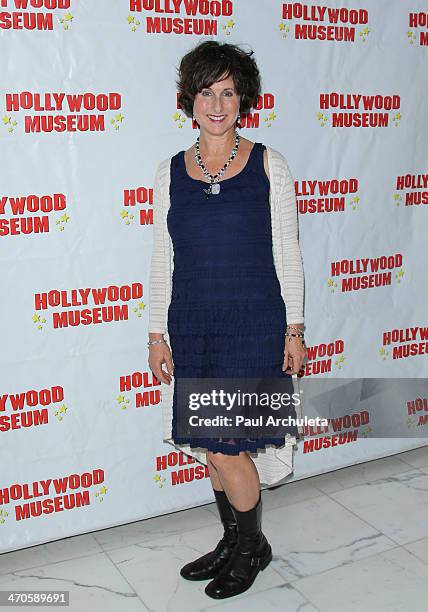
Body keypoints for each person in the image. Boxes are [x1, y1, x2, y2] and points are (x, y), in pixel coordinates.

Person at [148, 40, 307, 600]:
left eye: (228, 92)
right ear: (187, 100)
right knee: (211, 445)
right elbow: (163, 256)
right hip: (193, 324)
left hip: (252, 324)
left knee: (226, 445)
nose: (217, 103)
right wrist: (155, 333)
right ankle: (233, 539)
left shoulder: (269, 164)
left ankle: (252, 548)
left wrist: (294, 329)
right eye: (206, 92)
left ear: (244, 100)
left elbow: (288, 253)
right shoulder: (170, 172)